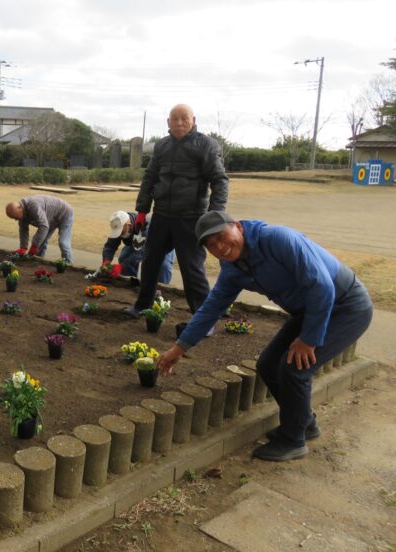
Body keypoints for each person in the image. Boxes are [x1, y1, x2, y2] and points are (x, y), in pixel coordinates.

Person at [157, 211, 373, 462]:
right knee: (268, 365)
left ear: (237, 226)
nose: (220, 247)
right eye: (211, 244)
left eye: (221, 236)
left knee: (294, 368)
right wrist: (179, 349)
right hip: (308, 310)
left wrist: (309, 339)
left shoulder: (278, 240)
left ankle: (294, 440)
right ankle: (305, 424)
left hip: (346, 306)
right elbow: (211, 308)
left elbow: (322, 287)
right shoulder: (232, 269)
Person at [124, 104, 228, 318]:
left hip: (191, 218)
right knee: (150, 261)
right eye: (175, 119)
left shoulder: (205, 145)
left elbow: (219, 180)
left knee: (192, 268)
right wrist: (142, 210)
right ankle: (143, 304)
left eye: (184, 118)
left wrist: (214, 216)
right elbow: (150, 178)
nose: (179, 123)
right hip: (162, 215)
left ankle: (203, 318)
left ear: (194, 120)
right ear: (168, 122)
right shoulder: (162, 146)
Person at [102, 210, 174, 282]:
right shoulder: (120, 223)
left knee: (163, 266)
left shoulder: (146, 226)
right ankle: (129, 282)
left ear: (128, 225)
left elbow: (142, 252)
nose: (120, 234)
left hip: (162, 241)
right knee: (124, 257)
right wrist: (106, 260)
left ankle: (161, 288)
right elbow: (110, 245)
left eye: (121, 232)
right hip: (139, 240)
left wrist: (122, 267)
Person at [5, 195, 74, 262]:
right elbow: (23, 230)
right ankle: (38, 260)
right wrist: (23, 247)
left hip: (65, 213)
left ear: (20, 209)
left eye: (16, 217)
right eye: (14, 218)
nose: (16, 220)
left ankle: (68, 264)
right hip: (50, 217)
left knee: (63, 242)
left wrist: (34, 245)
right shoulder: (21, 213)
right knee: (41, 241)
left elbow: (43, 226)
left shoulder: (33, 206)